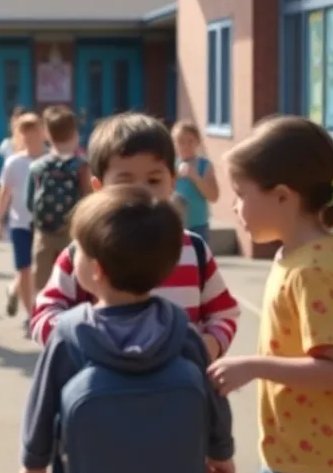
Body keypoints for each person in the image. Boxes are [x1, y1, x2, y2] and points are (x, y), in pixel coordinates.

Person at [208, 115, 333, 473]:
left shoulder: (312, 270)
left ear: (283, 196)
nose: (234, 207)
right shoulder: (295, 255)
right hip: (294, 451)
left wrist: (252, 366)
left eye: (240, 193)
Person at [19, 185, 236, 473]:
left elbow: (42, 405)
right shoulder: (182, 331)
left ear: (97, 270)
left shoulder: (71, 335)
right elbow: (213, 397)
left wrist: (33, 461)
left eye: (79, 251)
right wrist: (221, 451)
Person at [29, 113, 240, 362]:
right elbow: (43, 314)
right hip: (104, 391)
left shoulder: (193, 249)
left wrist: (208, 346)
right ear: (98, 188)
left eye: (153, 180)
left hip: (178, 392)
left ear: (171, 183)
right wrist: (85, 343)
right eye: (125, 180)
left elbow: (224, 313)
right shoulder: (84, 252)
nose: (141, 191)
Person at [27, 105, 90, 292]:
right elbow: (87, 198)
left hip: (44, 231)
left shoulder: (38, 165)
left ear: (47, 134)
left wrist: (42, 219)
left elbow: (29, 201)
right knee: (74, 275)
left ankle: (39, 314)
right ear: (75, 134)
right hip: (71, 231)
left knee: (42, 277)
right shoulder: (81, 166)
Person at [0, 112, 44, 330]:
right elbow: (4, 193)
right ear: (20, 135)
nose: (31, 135)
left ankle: (38, 305)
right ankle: (30, 313)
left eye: (35, 130)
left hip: (45, 226)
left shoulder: (50, 160)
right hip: (20, 223)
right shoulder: (15, 162)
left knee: (39, 271)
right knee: (23, 269)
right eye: (25, 131)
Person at [172, 121, 220, 243]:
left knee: (199, 260)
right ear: (174, 144)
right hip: (175, 224)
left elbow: (213, 196)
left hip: (198, 226)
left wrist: (195, 177)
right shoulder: (170, 166)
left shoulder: (204, 165)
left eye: (190, 141)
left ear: (197, 142)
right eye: (181, 141)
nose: (186, 146)